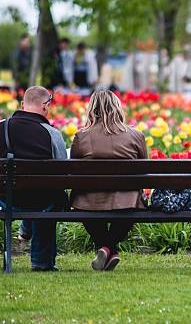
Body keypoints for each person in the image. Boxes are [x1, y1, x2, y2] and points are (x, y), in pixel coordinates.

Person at [0, 86, 67, 271]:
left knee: (35, 194)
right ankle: (41, 261)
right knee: (49, 197)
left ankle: (25, 231)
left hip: (9, 200)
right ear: (46, 106)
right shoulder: (52, 134)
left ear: (22, 105)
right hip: (42, 201)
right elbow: (63, 177)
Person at [70, 87, 147, 271]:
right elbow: (145, 170)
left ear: (92, 109)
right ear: (118, 108)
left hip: (89, 200)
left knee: (86, 205)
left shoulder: (81, 136)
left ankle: (104, 247)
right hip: (127, 200)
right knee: (129, 208)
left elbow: (72, 171)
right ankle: (110, 247)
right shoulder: (136, 135)